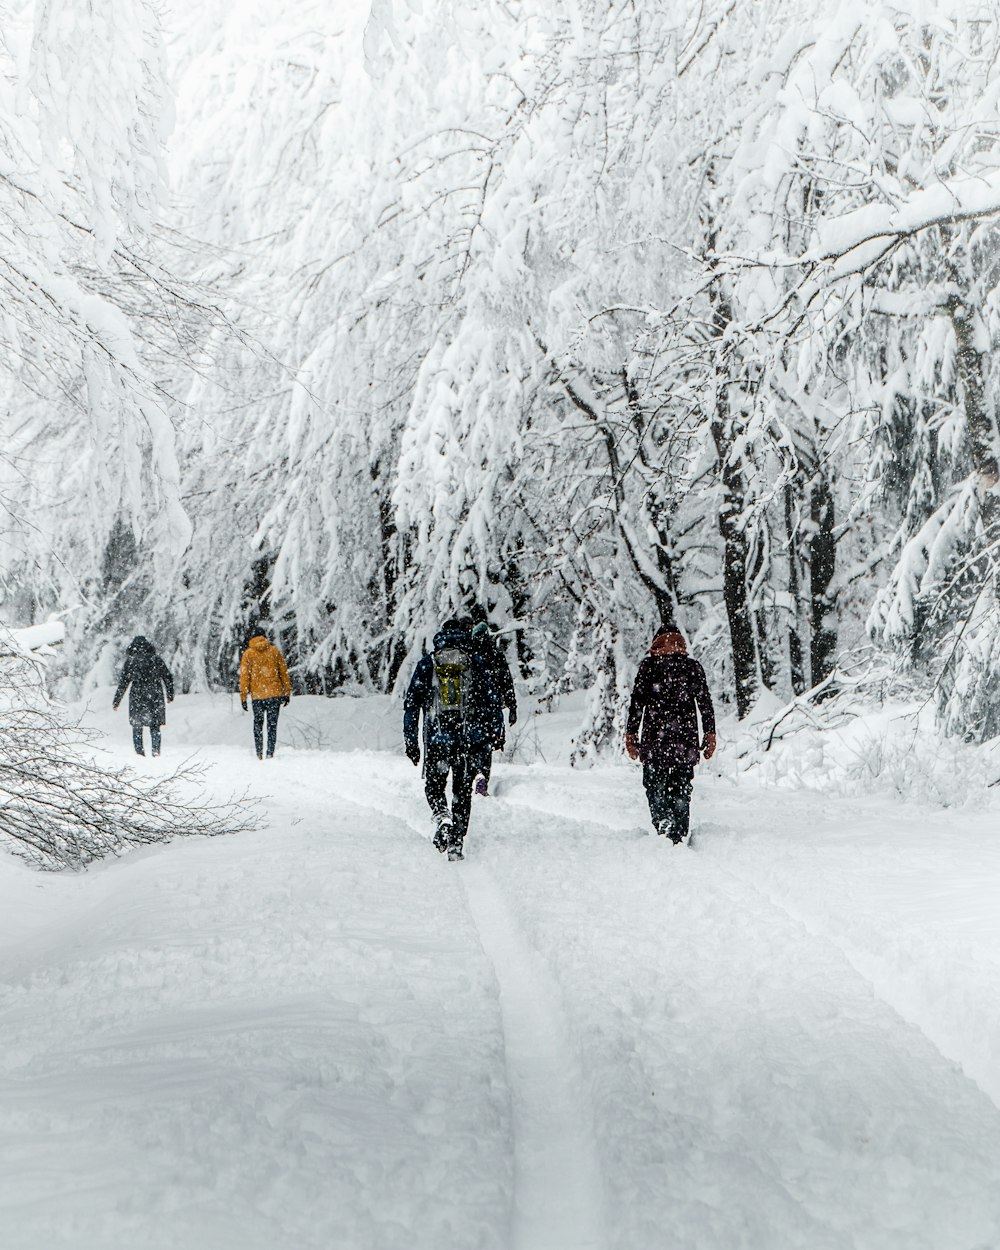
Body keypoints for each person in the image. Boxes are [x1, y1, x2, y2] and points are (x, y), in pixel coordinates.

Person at [403, 617, 503, 860]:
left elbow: (411, 704)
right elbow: (492, 700)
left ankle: (441, 815)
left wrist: (411, 742)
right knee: (462, 791)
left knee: (435, 786)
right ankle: (456, 843)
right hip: (466, 741)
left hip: (437, 739)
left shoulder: (429, 663)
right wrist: (496, 731)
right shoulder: (475, 663)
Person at [625, 623, 716, 843]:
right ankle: (679, 829)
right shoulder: (693, 668)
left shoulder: (648, 668)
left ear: (656, 644)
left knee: (655, 786)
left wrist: (631, 735)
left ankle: (663, 821)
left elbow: (637, 703)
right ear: (682, 644)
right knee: (681, 787)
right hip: (684, 741)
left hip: (655, 740)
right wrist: (710, 734)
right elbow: (705, 703)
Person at [467, 620, 517, 796]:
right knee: (486, 745)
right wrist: (512, 706)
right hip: (492, 706)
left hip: (471, 708)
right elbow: (507, 682)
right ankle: (483, 777)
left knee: (472, 744)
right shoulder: (495, 654)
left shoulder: (468, 655)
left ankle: (475, 773)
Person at [113, 635, 174, 757]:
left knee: (137, 725)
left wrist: (117, 701)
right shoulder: (156, 659)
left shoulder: (130, 662)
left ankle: (139, 752)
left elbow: (123, 683)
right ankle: (155, 750)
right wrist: (170, 694)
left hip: (137, 693)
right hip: (155, 692)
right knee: (155, 725)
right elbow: (167, 677)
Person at [239, 633, 291, 759]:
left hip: (257, 696)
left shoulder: (248, 654)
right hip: (274, 694)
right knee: (272, 725)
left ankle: (259, 752)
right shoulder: (274, 651)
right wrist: (287, 692)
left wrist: (243, 696)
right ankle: (270, 752)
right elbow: (283, 673)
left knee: (258, 724)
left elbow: (245, 677)